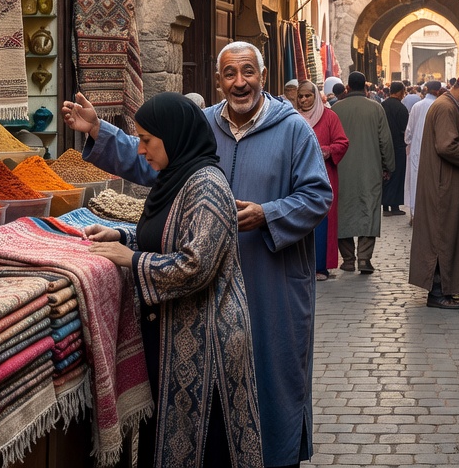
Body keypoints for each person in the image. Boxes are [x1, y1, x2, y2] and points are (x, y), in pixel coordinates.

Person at [68, 41, 332, 468]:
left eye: (248, 72)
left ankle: (274, 458)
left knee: (272, 376)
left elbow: (318, 195)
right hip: (202, 292)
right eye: (230, 74)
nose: (239, 82)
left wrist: (268, 213)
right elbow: (151, 160)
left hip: (269, 278)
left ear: (262, 76)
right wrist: (100, 132)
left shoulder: (293, 129)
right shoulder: (202, 124)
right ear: (218, 79)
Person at [81, 93, 264, 467]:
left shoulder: (206, 185)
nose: (142, 150)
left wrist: (131, 260)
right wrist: (122, 237)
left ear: (174, 136)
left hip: (208, 339)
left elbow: (195, 265)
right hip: (176, 334)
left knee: (207, 447)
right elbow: (166, 237)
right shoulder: (175, 178)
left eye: (146, 140)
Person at [409, 70, 459, 309]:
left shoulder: (446, 105)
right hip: (442, 185)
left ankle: (445, 288)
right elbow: (446, 146)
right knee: (441, 235)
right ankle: (437, 292)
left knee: (443, 233)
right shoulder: (445, 107)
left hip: (443, 182)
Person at [331, 72, 395, 274]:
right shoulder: (376, 108)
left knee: (343, 211)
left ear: (347, 87)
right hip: (370, 169)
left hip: (341, 169)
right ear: (365, 88)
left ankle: (348, 259)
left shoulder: (336, 109)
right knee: (370, 209)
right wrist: (388, 166)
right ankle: (364, 259)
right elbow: (385, 140)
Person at [296, 80, 348, 282]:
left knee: (322, 219)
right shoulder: (292, 118)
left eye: (308, 95)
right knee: (300, 218)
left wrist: (327, 151)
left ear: (316, 96)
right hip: (298, 177)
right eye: (300, 96)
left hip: (324, 176)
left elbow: (342, 142)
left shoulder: (329, 117)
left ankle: (320, 267)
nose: (304, 99)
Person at [403, 80, 441, 225]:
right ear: (438, 91)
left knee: (415, 181)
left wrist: (409, 143)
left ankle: (415, 215)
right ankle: (430, 216)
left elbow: (409, 131)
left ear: (426, 89)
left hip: (416, 150)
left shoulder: (417, 106)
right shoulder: (439, 106)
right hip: (434, 150)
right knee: (432, 181)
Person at [381, 82, 410, 216]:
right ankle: (395, 206)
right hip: (397, 146)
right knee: (397, 174)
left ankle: (385, 206)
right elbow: (405, 130)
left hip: (383, 146)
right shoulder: (401, 108)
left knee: (386, 174)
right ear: (399, 92)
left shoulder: (382, 106)